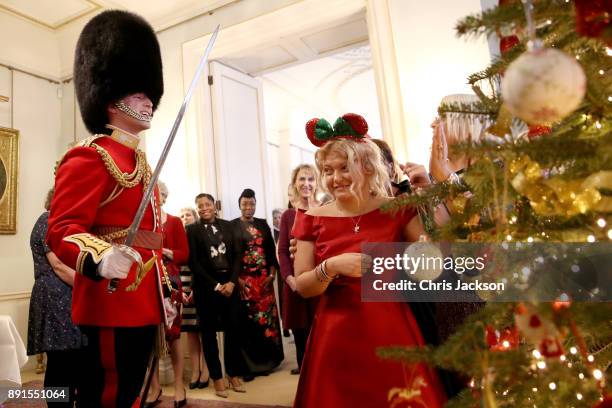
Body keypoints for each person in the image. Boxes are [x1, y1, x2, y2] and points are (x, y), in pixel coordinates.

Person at [46, 10, 175, 407]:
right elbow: (63, 227)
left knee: (133, 393)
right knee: (107, 397)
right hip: (111, 300)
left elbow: (149, 239)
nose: (149, 100)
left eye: (149, 93)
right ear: (110, 97)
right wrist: (101, 257)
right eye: (139, 94)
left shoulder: (140, 161)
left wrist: (165, 290)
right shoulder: (90, 156)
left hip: (143, 301)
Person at [292, 113, 446, 407]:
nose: (335, 178)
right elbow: (303, 286)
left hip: (392, 329)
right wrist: (330, 267)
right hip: (335, 335)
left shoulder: (399, 209)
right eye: (327, 170)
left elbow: (430, 269)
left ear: (366, 166)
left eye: (344, 168)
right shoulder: (310, 220)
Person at [187, 193, 247, 398]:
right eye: (200, 205)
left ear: (214, 206)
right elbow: (193, 262)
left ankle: (233, 373)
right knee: (209, 335)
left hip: (230, 285)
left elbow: (238, 255)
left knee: (233, 331)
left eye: (207, 204)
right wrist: (216, 285)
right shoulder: (192, 230)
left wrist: (231, 282)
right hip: (207, 288)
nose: (204, 208)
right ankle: (217, 378)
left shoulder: (229, 226)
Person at [27, 189, 82, 407]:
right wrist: (88, 288)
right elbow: (58, 265)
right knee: (60, 363)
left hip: (63, 294)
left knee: (68, 362)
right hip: (54, 296)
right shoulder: (47, 220)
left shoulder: (58, 223)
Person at [145, 182, 189, 408]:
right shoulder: (143, 220)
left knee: (174, 335)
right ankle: (154, 388)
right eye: (154, 193)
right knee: (147, 335)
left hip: (169, 281)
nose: (158, 197)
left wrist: (163, 250)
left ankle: (179, 385)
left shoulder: (174, 221)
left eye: (162, 193)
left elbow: (184, 254)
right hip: (145, 280)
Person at [231, 189, 284, 377]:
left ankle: (268, 362)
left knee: (267, 323)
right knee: (248, 324)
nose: (248, 207)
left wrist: (272, 275)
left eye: (252, 203)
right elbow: (231, 258)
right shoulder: (232, 226)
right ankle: (250, 366)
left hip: (264, 282)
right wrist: (237, 280)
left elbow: (270, 252)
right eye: (245, 203)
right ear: (239, 205)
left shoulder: (262, 224)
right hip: (244, 283)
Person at [278, 164, 320, 375]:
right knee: (301, 334)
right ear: (295, 183)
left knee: (321, 333)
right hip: (295, 286)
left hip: (320, 283)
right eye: (302, 179)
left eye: (311, 179)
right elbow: (283, 251)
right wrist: (289, 278)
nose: (306, 184)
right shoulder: (287, 216)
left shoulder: (325, 209)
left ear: (317, 183)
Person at [179, 207, 210, 390]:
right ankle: (195, 371)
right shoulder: (179, 236)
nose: (184, 218)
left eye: (188, 215)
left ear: (195, 217)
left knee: (205, 329)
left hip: (201, 285)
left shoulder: (201, 234)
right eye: (181, 216)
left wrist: (195, 287)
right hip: (183, 287)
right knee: (190, 330)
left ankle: (206, 369)